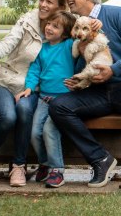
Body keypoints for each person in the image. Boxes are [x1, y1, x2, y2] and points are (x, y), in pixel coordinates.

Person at [49, 0, 121, 192]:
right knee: (59, 106)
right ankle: (100, 159)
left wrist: (114, 69)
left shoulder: (119, 14)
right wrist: (80, 79)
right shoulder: (77, 27)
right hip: (97, 90)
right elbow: (82, 63)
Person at [0, 0, 68, 187]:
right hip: (5, 82)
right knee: (8, 117)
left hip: (31, 88)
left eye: (49, 1)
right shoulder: (27, 21)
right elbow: (8, 42)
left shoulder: (62, 29)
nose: (42, 4)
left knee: (23, 110)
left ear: (59, 7)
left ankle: (18, 167)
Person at [14, 10, 77, 188]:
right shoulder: (41, 48)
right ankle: (45, 163)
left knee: (50, 130)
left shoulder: (69, 46)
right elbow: (34, 70)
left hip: (63, 100)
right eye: (48, 23)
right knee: (34, 132)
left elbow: (83, 37)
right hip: (43, 98)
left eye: (55, 26)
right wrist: (29, 88)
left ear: (65, 33)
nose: (49, 27)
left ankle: (57, 170)